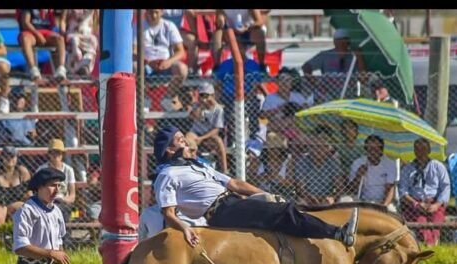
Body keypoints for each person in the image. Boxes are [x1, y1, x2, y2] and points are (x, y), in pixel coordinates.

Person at [151, 125, 359, 249]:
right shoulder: (167, 175)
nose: (186, 143)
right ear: (170, 149)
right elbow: (168, 212)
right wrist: (184, 228)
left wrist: (264, 194)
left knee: (283, 204)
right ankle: (338, 234)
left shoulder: (198, 166)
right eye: (180, 141)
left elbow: (235, 184)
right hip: (221, 212)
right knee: (284, 212)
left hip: (233, 202)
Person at [398, 138, 451, 246]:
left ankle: (435, 240)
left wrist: (437, 204)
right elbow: (402, 190)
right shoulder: (408, 169)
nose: (420, 152)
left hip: (434, 201)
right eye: (417, 149)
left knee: (436, 219)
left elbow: (445, 187)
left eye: (423, 149)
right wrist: (416, 204)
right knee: (421, 221)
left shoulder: (437, 166)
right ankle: (429, 243)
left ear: (429, 151)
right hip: (415, 202)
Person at [138, 9, 188, 111]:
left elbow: (181, 51)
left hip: (165, 64)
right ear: (146, 12)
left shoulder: (169, 25)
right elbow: (133, 51)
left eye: (156, 12)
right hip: (146, 65)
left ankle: (168, 98)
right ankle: (144, 99)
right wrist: (147, 62)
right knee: (134, 66)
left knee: (182, 69)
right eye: (151, 12)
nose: (154, 15)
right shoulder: (139, 26)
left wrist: (169, 62)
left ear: (162, 12)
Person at [292, 126, 342, 205]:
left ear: (328, 149)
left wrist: (333, 198)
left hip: (327, 197)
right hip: (308, 197)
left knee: (344, 200)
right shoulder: (303, 161)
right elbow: (300, 188)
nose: (319, 150)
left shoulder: (333, 162)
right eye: (316, 147)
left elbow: (339, 186)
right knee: (302, 203)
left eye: (323, 147)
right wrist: (308, 197)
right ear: (311, 148)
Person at [347, 135, 398, 210]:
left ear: (381, 150)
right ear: (366, 150)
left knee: (391, 209)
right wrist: (358, 176)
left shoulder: (389, 164)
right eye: (370, 149)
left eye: (376, 148)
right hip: (363, 200)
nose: (373, 152)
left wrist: (383, 205)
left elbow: (390, 188)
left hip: (383, 201)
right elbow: (352, 189)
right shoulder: (358, 163)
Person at [186, 82, 227, 173]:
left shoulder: (218, 109)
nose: (203, 98)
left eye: (206, 95)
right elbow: (192, 116)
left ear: (212, 95)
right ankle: (193, 166)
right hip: (196, 133)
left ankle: (225, 171)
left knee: (218, 141)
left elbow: (216, 130)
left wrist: (202, 138)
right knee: (188, 138)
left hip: (209, 135)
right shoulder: (197, 106)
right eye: (201, 95)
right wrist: (200, 107)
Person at [0, 145, 31, 224]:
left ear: (16, 158)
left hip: (17, 203)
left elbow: (29, 193)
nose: (9, 159)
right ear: (2, 158)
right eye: (7, 156)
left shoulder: (22, 172)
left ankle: (21, 235)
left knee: (23, 209)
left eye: (12, 156)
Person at [18, 9, 67, 81]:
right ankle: (33, 69)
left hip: (47, 32)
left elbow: (61, 19)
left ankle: (61, 69)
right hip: (31, 31)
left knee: (60, 39)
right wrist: (37, 34)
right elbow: (26, 23)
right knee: (25, 39)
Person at [36, 139, 76, 222]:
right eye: (52, 152)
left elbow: (72, 196)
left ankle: (63, 234)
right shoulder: (42, 170)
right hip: (46, 201)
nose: (55, 155)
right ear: (49, 154)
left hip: (63, 202)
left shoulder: (68, 170)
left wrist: (64, 199)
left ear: (62, 155)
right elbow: (37, 192)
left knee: (62, 210)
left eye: (58, 152)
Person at [64, 9, 98, 77]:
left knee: (93, 41)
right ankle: (71, 70)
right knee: (74, 42)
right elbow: (63, 20)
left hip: (87, 34)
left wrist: (94, 31)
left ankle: (84, 68)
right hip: (72, 33)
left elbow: (96, 20)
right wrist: (63, 33)